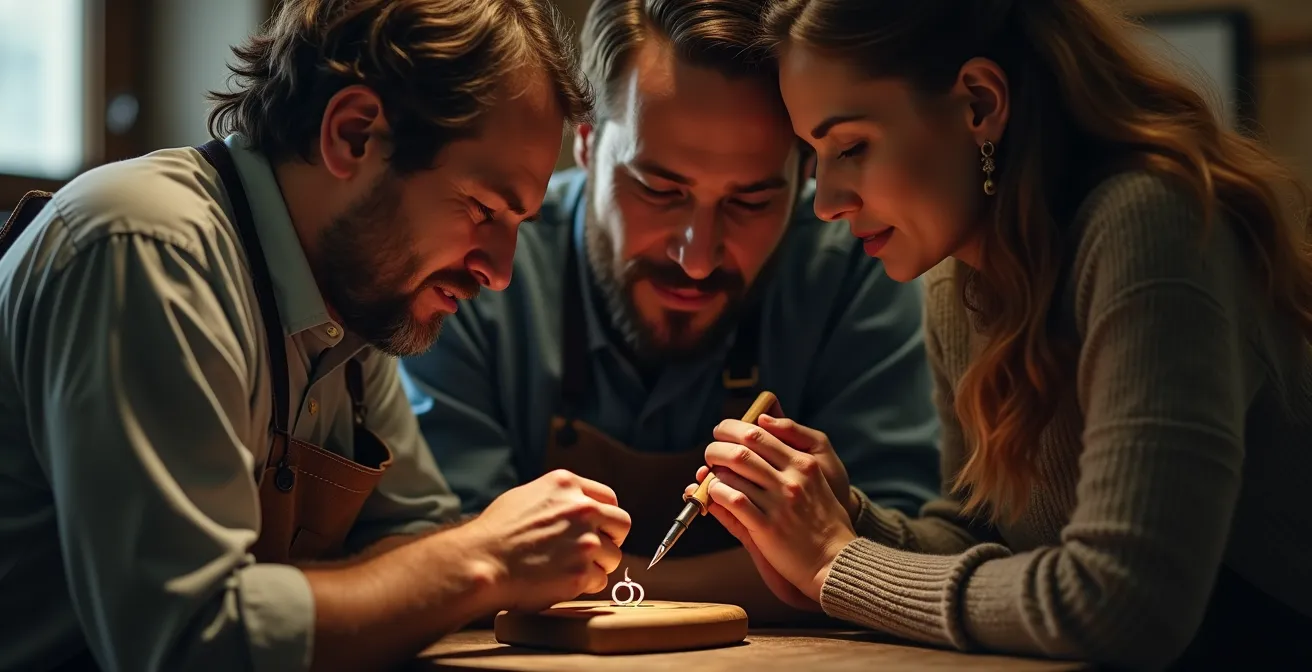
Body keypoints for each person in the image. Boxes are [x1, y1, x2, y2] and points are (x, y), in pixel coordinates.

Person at [0, 1, 634, 671]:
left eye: (519, 224)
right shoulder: (146, 251)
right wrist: (483, 557)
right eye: (482, 208)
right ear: (353, 134)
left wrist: (473, 558)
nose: (499, 273)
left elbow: (415, 538)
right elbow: (187, 643)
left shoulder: (354, 304)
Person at [693, 0, 1312, 667]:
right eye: (815, 157)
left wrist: (836, 563)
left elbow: (1127, 602)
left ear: (980, 103)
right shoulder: (959, 274)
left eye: (851, 148)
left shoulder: (1148, 224)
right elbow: (980, 535)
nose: (825, 203)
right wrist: (841, 518)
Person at [399, 0, 940, 619]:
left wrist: (600, 586)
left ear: (804, 178)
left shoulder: (852, 270)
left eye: (752, 202)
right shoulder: (480, 266)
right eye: (659, 190)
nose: (698, 259)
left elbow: (890, 554)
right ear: (585, 144)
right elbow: (447, 549)